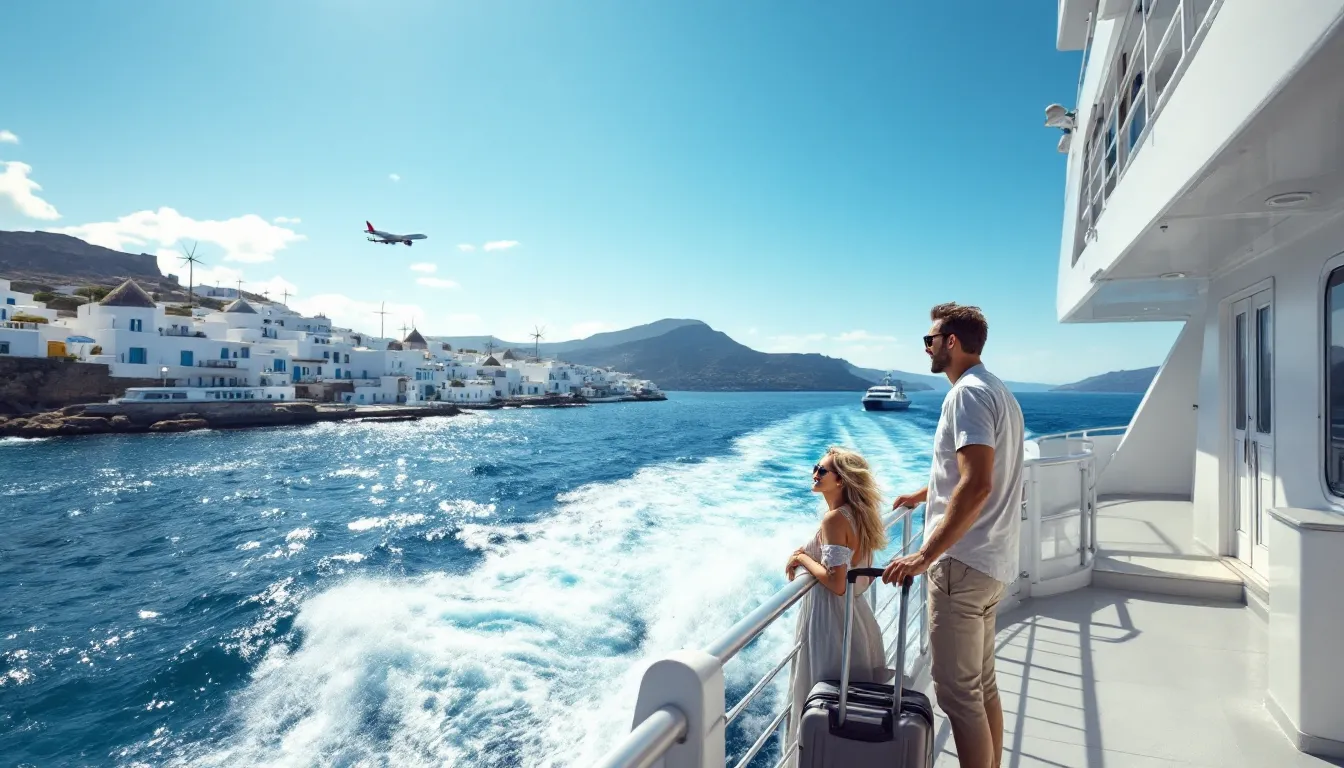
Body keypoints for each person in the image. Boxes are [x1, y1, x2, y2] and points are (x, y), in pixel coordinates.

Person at [882, 302, 1024, 768]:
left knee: (958, 697)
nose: (925, 348)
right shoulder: (999, 391)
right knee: (981, 687)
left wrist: (923, 556)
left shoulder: (966, 394)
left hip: (962, 567)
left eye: (930, 340)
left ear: (952, 343)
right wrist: (926, 494)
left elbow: (978, 483)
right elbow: (973, 471)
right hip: (992, 564)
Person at [785, 446, 892, 742]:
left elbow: (837, 583)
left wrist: (802, 558)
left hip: (830, 623)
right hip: (854, 619)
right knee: (849, 709)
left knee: (821, 699)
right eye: (815, 467)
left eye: (822, 470)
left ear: (841, 480)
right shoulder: (860, 515)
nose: (815, 474)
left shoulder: (834, 520)